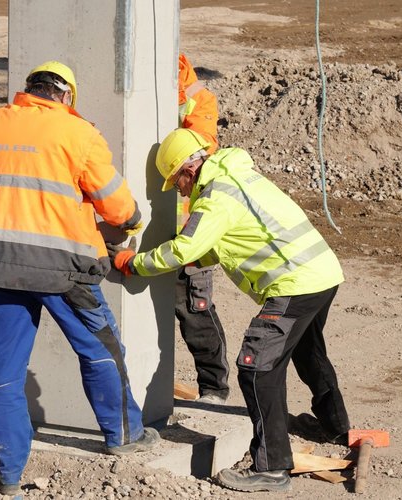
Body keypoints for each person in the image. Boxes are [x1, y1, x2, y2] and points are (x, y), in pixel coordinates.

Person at [107, 128, 350, 492]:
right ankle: (334, 426)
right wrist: (192, 258)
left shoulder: (215, 198)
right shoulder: (235, 176)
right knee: (307, 350)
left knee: (257, 367)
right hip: (321, 273)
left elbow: (186, 247)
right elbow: (229, 238)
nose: (180, 192)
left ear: (188, 171)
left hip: (294, 284)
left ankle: (271, 467)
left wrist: (135, 263)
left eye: (177, 183)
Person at [0, 61, 159, 495]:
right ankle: (124, 435)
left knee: (4, 371)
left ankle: (6, 473)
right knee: (101, 350)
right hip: (63, 267)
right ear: (67, 96)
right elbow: (116, 205)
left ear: (29, 90)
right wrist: (131, 221)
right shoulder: (78, 132)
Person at [174, 53, 230, 404]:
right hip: (141, 225)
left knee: (195, 310)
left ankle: (213, 390)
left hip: (188, 227)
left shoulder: (198, 99)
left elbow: (197, 151)